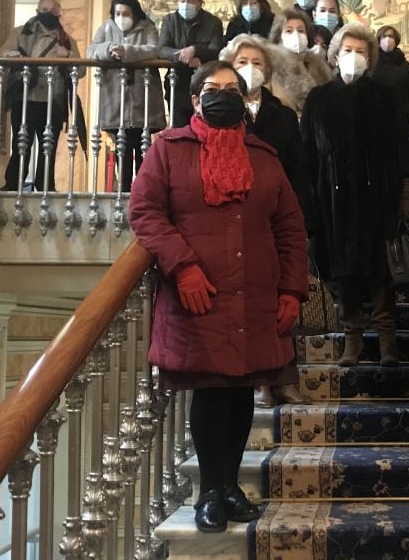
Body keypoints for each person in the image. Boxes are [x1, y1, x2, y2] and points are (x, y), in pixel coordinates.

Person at [129, 60, 308, 534]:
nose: (223, 95)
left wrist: (292, 289)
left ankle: (230, 486)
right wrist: (181, 265)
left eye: (232, 89)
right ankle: (210, 490)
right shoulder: (168, 149)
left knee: (242, 391)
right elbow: (145, 211)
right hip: (199, 294)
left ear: (244, 99)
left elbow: (290, 227)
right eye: (213, 88)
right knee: (211, 392)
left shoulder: (264, 155)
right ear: (195, 99)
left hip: (254, 296)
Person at [299, 22, 409, 368]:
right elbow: (307, 157)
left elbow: (402, 148)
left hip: (379, 199)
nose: (354, 57)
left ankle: (386, 341)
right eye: (348, 51)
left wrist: (407, 195)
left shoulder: (384, 97)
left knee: (382, 271)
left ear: (371, 57)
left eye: (361, 51)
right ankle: (352, 338)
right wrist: (309, 207)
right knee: (344, 272)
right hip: (332, 204)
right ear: (335, 55)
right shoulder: (318, 99)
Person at [219, 34, 312, 408]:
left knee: (283, 300)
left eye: (258, 62)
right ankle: (258, 382)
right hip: (233, 217)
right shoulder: (221, 112)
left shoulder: (284, 115)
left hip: (276, 216)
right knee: (247, 305)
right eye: (243, 61)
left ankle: (285, 379)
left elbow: (298, 169)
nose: (251, 69)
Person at [88, 0, 166, 192]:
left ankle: (142, 191)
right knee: (121, 147)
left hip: (143, 97)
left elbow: (154, 49)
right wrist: (109, 50)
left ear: (135, 13)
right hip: (115, 97)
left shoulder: (147, 26)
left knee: (142, 147)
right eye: (117, 13)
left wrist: (127, 52)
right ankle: (122, 191)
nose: (121, 17)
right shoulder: (106, 27)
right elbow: (91, 50)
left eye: (126, 13)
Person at [1, 0, 79, 192]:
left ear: (58, 15)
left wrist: (67, 56)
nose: (47, 13)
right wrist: (12, 56)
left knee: (48, 146)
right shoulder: (19, 33)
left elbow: (81, 69)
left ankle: (45, 184)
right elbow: (3, 53)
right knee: (21, 142)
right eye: (44, 9)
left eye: (52, 11)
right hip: (25, 97)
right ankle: (13, 183)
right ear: (37, 11)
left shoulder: (67, 40)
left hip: (53, 100)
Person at [158, 0, 225, 130]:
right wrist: (185, 56)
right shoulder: (170, 20)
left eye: (191, 1)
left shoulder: (213, 23)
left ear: (201, 3)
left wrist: (195, 50)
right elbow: (162, 50)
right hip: (177, 86)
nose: (186, 5)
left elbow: (216, 51)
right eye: (182, 1)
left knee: (206, 131)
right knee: (180, 134)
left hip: (207, 87)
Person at [267, 8, 333, 113]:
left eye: (301, 30)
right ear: (278, 37)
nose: (296, 35)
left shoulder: (319, 66)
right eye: (289, 31)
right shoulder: (270, 68)